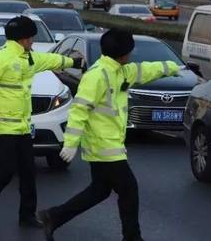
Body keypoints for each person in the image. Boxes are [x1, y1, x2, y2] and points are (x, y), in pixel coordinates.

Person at [38, 29, 180, 241]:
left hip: (110, 145)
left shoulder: (121, 71)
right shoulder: (96, 76)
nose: (131, 56)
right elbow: (79, 111)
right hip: (103, 147)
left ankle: (53, 216)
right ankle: (132, 237)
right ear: (123, 53)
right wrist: (70, 144)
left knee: (99, 191)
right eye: (130, 51)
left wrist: (172, 67)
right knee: (129, 189)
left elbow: (145, 70)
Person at [0, 15, 84, 228]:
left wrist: (73, 62)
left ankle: (27, 216)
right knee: (7, 170)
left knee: (28, 173)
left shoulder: (29, 57)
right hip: (2, 126)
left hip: (23, 127)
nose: (33, 41)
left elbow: (50, 60)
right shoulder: (0, 58)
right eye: (31, 37)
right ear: (22, 38)